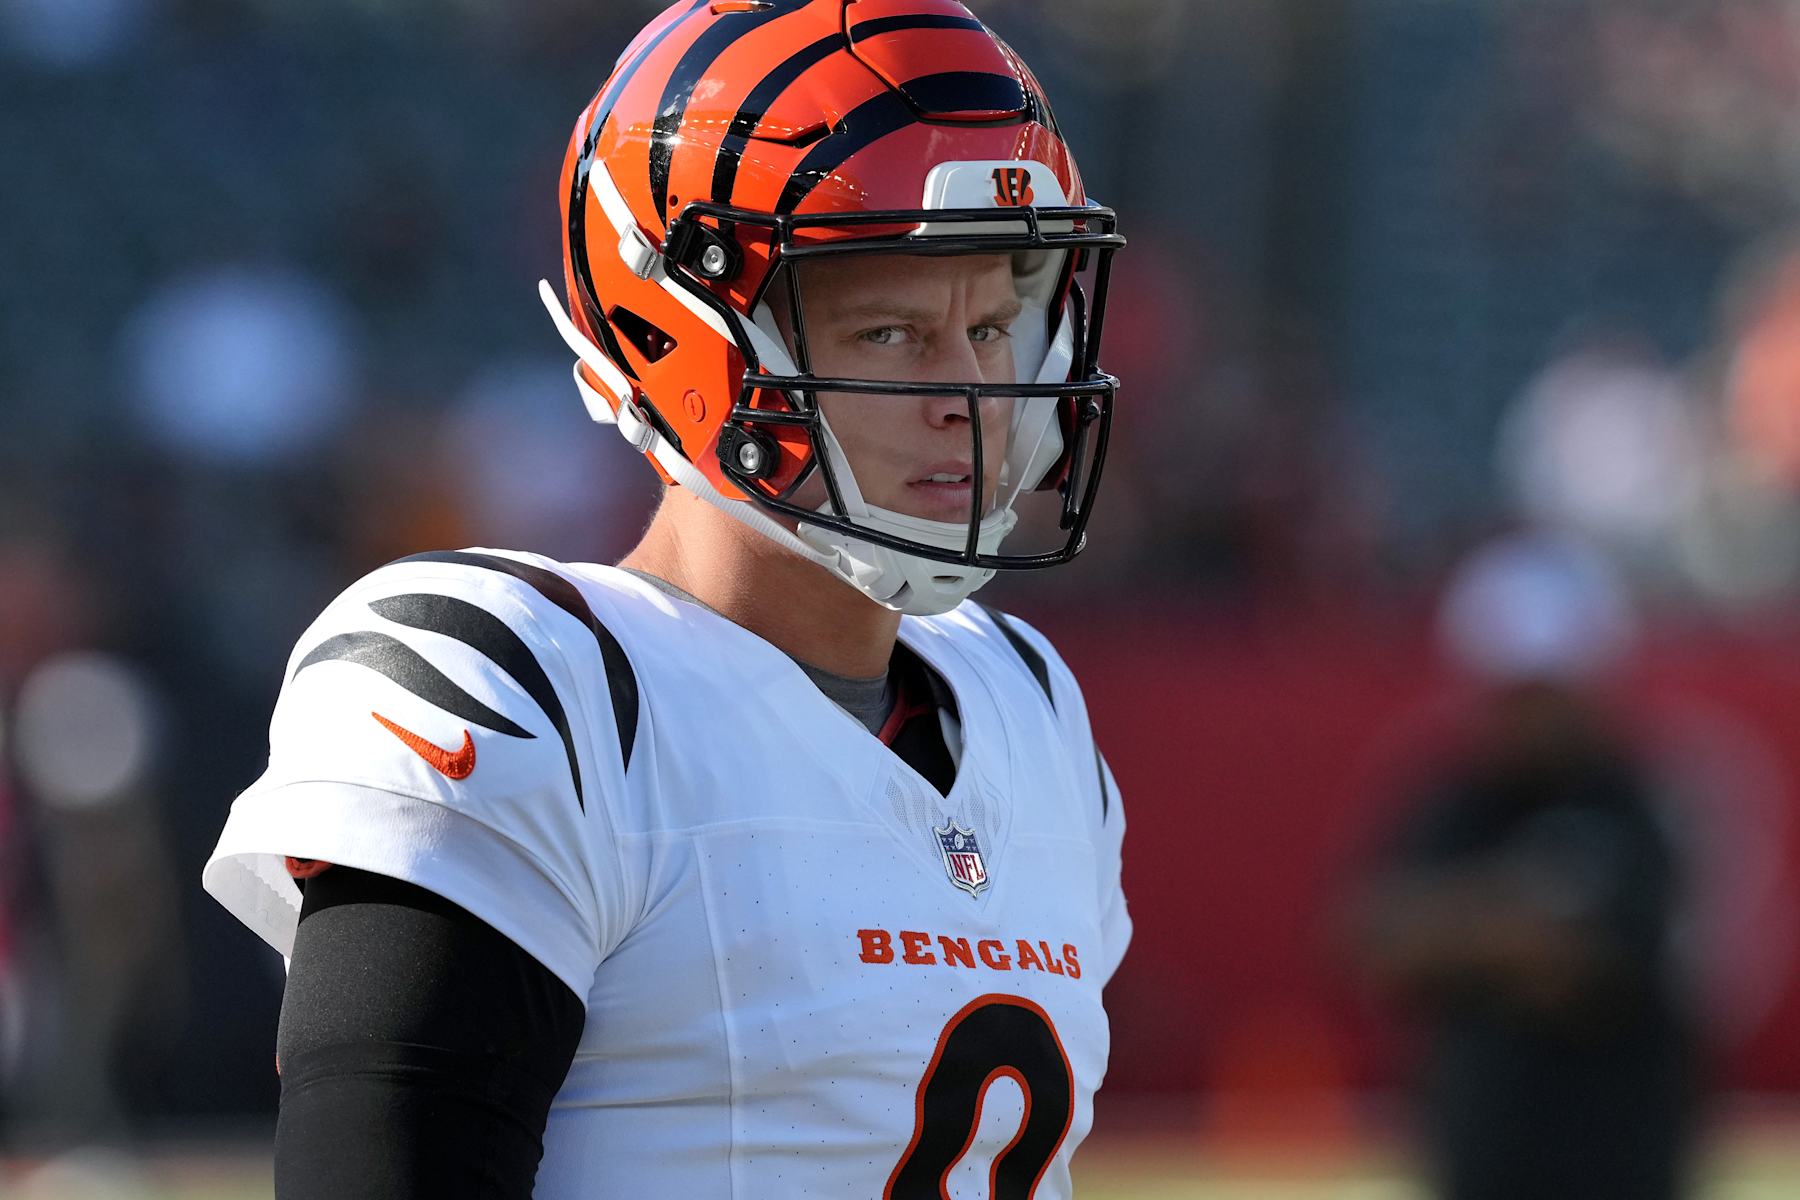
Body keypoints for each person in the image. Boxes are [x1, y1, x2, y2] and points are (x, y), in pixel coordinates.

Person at [201, 2, 1130, 1197]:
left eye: (994, 324)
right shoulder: (531, 684)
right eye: (892, 329)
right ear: (684, 333)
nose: (969, 392)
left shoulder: (1029, 705)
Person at [1355, 533, 1697, 1200]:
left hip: (1620, 1166)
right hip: (1482, 1164)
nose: (1530, 715)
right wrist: (1521, 907)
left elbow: (1583, 960)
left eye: (1547, 690)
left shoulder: (1636, 799)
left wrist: (1450, 927)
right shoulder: (1450, 799)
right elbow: (1372, 939)